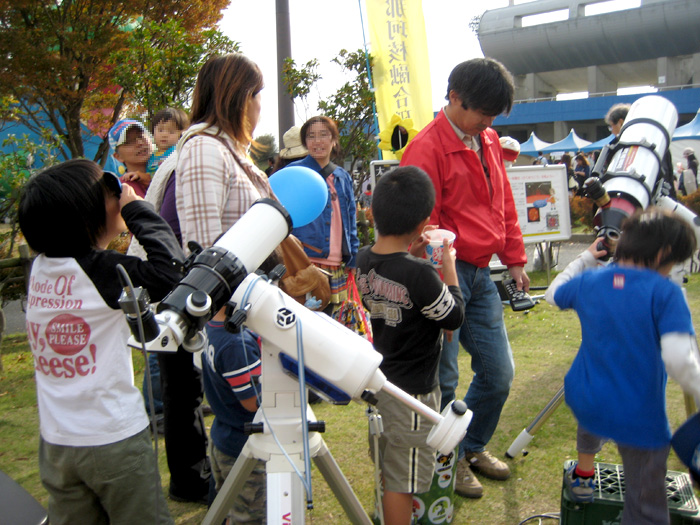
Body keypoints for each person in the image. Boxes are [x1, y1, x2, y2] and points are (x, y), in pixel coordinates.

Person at [19, 158, 183, 524]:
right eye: (111, 195)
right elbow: (170, 270)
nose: (120, 196)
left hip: (57, 442)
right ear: (87, 216)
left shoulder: (41, 268)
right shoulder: (103, 272)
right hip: (112, 440)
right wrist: (137, 208)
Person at [400, 57, 529, 499]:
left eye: (494, 116)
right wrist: (441, 281)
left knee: (499, 373)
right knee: (447, 379)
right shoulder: (425, 148)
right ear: (454, 98)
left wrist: (514, 258)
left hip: (481, 274)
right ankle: (446, 462)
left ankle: (469, 447)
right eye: (483, 113)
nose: (489, 122)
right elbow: (422, 227)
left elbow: (503, 204)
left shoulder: (487, 138)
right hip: (442, 278)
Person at [544, 208, 700, 524]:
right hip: (638, 416)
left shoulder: (591, 280)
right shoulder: (665, 292)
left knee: (597, 407)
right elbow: (679, 360)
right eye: (672, 263)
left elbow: (552, 294)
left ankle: (584, 475)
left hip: (586, 400)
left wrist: (586, 259)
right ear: (664, 254)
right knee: (645, 505)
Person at [165, 52, 274, 505]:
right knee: (239, 417)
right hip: (229, 314)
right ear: (237, 96)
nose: (259, 106)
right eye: (256, 95)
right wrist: (226, 314)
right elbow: (205, 248)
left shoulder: (229, 150)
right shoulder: (205, 148)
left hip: (249, 307)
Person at [356, 166, 465, 525]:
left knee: (389, 467)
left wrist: (414, 258)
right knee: (403, 482)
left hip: (379, 383)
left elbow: (398, 287)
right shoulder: (421, 274)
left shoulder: (363, 258)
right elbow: (452, 317)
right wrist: (447, 265)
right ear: (423, 225)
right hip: (414, 396)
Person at [288, 116, 359, 312]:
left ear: (334, 140)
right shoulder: (295, 172)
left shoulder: (342, 176)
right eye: (311, 136)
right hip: (305, 261)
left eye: (323, 135)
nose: (317, 141)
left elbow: (350, 218)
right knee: (303, 321)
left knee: (330, 322)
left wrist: (353, 255)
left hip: (335, 263)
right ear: (305, 143)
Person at [202, 317, 265, 523]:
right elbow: (253, 402)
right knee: (249, 517)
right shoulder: (236, 345)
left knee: (228, 510)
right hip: (244, 449)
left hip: (225, 436)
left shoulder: (213, 326)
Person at [109, 119, 153, 198]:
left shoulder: (171, 169)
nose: (139, 143)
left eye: (141, 136)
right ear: (118, 156)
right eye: (129, 142)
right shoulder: (120, 190)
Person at [147, 107, 189, 175]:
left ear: (181, 134)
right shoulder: (151, 156)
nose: (164, 135)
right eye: (160, 130)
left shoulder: (177, 153)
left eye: (171, 132)